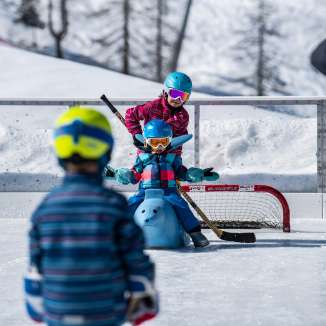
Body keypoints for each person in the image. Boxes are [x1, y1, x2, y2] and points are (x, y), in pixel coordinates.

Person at [24, 106, 158, 326]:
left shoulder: (45, 208)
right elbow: (136, 262)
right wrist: (144, 299)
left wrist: (38, 306)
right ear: (106, 153)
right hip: (105, 312)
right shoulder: (114, 205)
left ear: (59, 155)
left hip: (57, 314)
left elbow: (35, 267)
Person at [114, 119, 219, 248]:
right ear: (146, 141)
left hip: (168, 192)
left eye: (163, 142)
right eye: (155, 142)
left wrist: (197, 174)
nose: (159, 146)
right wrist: (126, 175)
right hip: (145, 192)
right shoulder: (142, 158)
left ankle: (195, 233)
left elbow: (182, 172)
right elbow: (135, 174)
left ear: (169, 141)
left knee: (181, 205)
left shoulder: (172, 158)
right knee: (130, 204)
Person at [125, 71, 192, 155]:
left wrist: (174, 156)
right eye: (174, 94)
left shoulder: (183, 116)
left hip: (168, 156)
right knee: (146, 167)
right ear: (165, 92)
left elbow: (179, 139)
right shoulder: (152, 107)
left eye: (183, 96)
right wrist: (136, 134)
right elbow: (130, 115)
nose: (178, 99)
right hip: (147, 152)